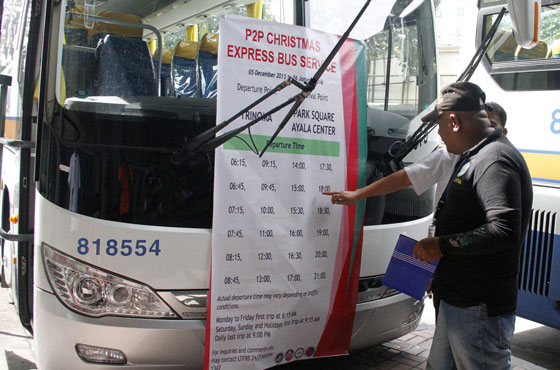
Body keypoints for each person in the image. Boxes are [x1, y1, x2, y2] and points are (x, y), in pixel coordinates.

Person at [412, 82, 532, 369]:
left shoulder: (495, 160)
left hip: (478, 308)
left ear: (453, 122)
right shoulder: (475, 155)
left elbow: (503, 230)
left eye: (439, 127)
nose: (439, 135)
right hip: (457, 300)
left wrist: (439, 246)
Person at [322, 101, 507, 211]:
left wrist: (443, 245)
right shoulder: (448, 155)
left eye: (490, 125)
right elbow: (405, 178)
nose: (441, 135)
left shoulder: (498, 163)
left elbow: (501, 228)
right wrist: (357, 194)